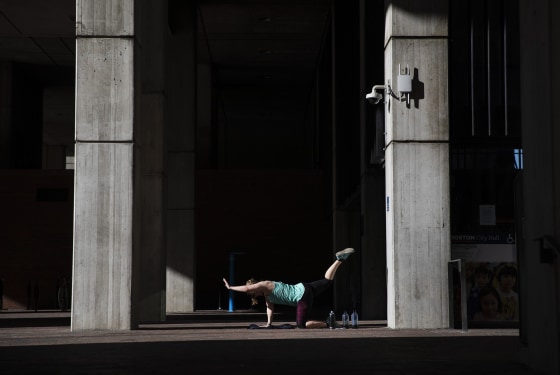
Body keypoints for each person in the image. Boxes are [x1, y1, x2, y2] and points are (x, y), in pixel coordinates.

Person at [222, 247, 355, 328]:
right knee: (327, 281)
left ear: (255, 287)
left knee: (301, 325)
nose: (254, 296)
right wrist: (269, 324)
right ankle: (339, 260)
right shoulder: (267, 293)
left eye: (253, 293)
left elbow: (246, 289)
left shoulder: (265, 285)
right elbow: (270, 308)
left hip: (301, 297)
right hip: (304, 288)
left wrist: (230, 287)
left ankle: (328, 323)